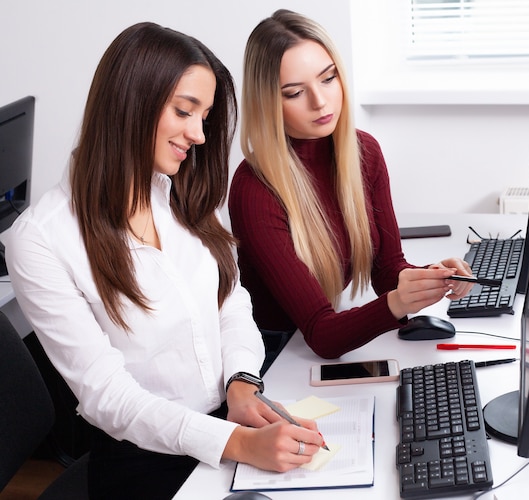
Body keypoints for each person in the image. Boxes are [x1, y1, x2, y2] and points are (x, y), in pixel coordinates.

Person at [5, 22, 323, 499]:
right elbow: (107, 396)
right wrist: (234, 443)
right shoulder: (40, 240)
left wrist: (241, 383)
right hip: (144, 463)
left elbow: (230, 302)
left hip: (231, 427)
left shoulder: (179, 192)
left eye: (205, 116)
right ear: (130, 102)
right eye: (184, 111)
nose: (198, 134)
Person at [228, 9, 474, 371]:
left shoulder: (364, 152)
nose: (321, 101)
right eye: (295, 92)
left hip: (324, 335)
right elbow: (323, 335)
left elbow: (388, 268)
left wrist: (430, 277)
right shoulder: (255, 190)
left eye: (328, 79)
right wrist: (397, 303)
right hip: (278, 358)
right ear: (267, 104)